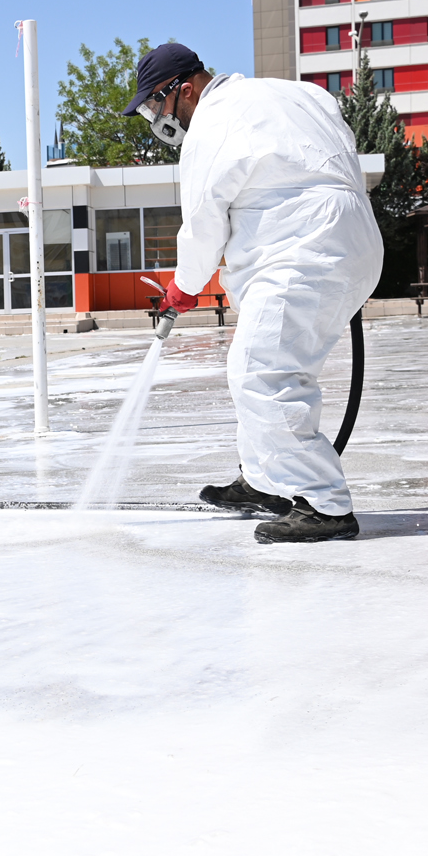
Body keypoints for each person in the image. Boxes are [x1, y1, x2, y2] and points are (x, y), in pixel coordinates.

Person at [130, 43, 383, 543]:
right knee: (262, 364)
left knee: (260, 372)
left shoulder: (209, 126)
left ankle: (325, 506)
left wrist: (182, 289)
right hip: (350, 238)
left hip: (302, 248)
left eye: (155, 105)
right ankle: (265, 481)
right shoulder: (295, 94)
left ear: (184, 89)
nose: (157, 118)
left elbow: (203, 224)